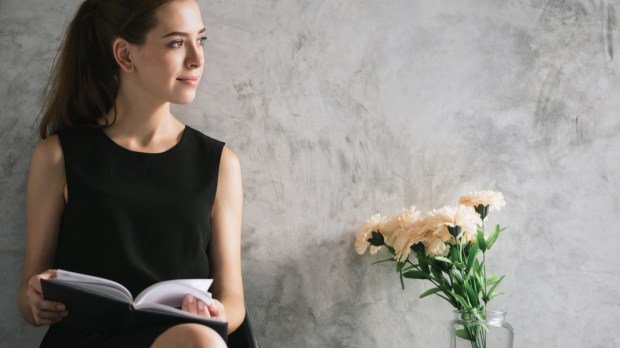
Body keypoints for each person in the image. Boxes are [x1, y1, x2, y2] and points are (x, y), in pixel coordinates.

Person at [15, 0, 245, 346]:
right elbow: (29, 294)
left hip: (187, 340)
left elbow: (233, 298)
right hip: (88, 339)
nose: (197, 59)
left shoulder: (219, 163)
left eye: (201, 40)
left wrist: (216, 314)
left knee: (201, 339)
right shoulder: (57, 157)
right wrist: (35, 302)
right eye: (176, 43)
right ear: (124, 55)